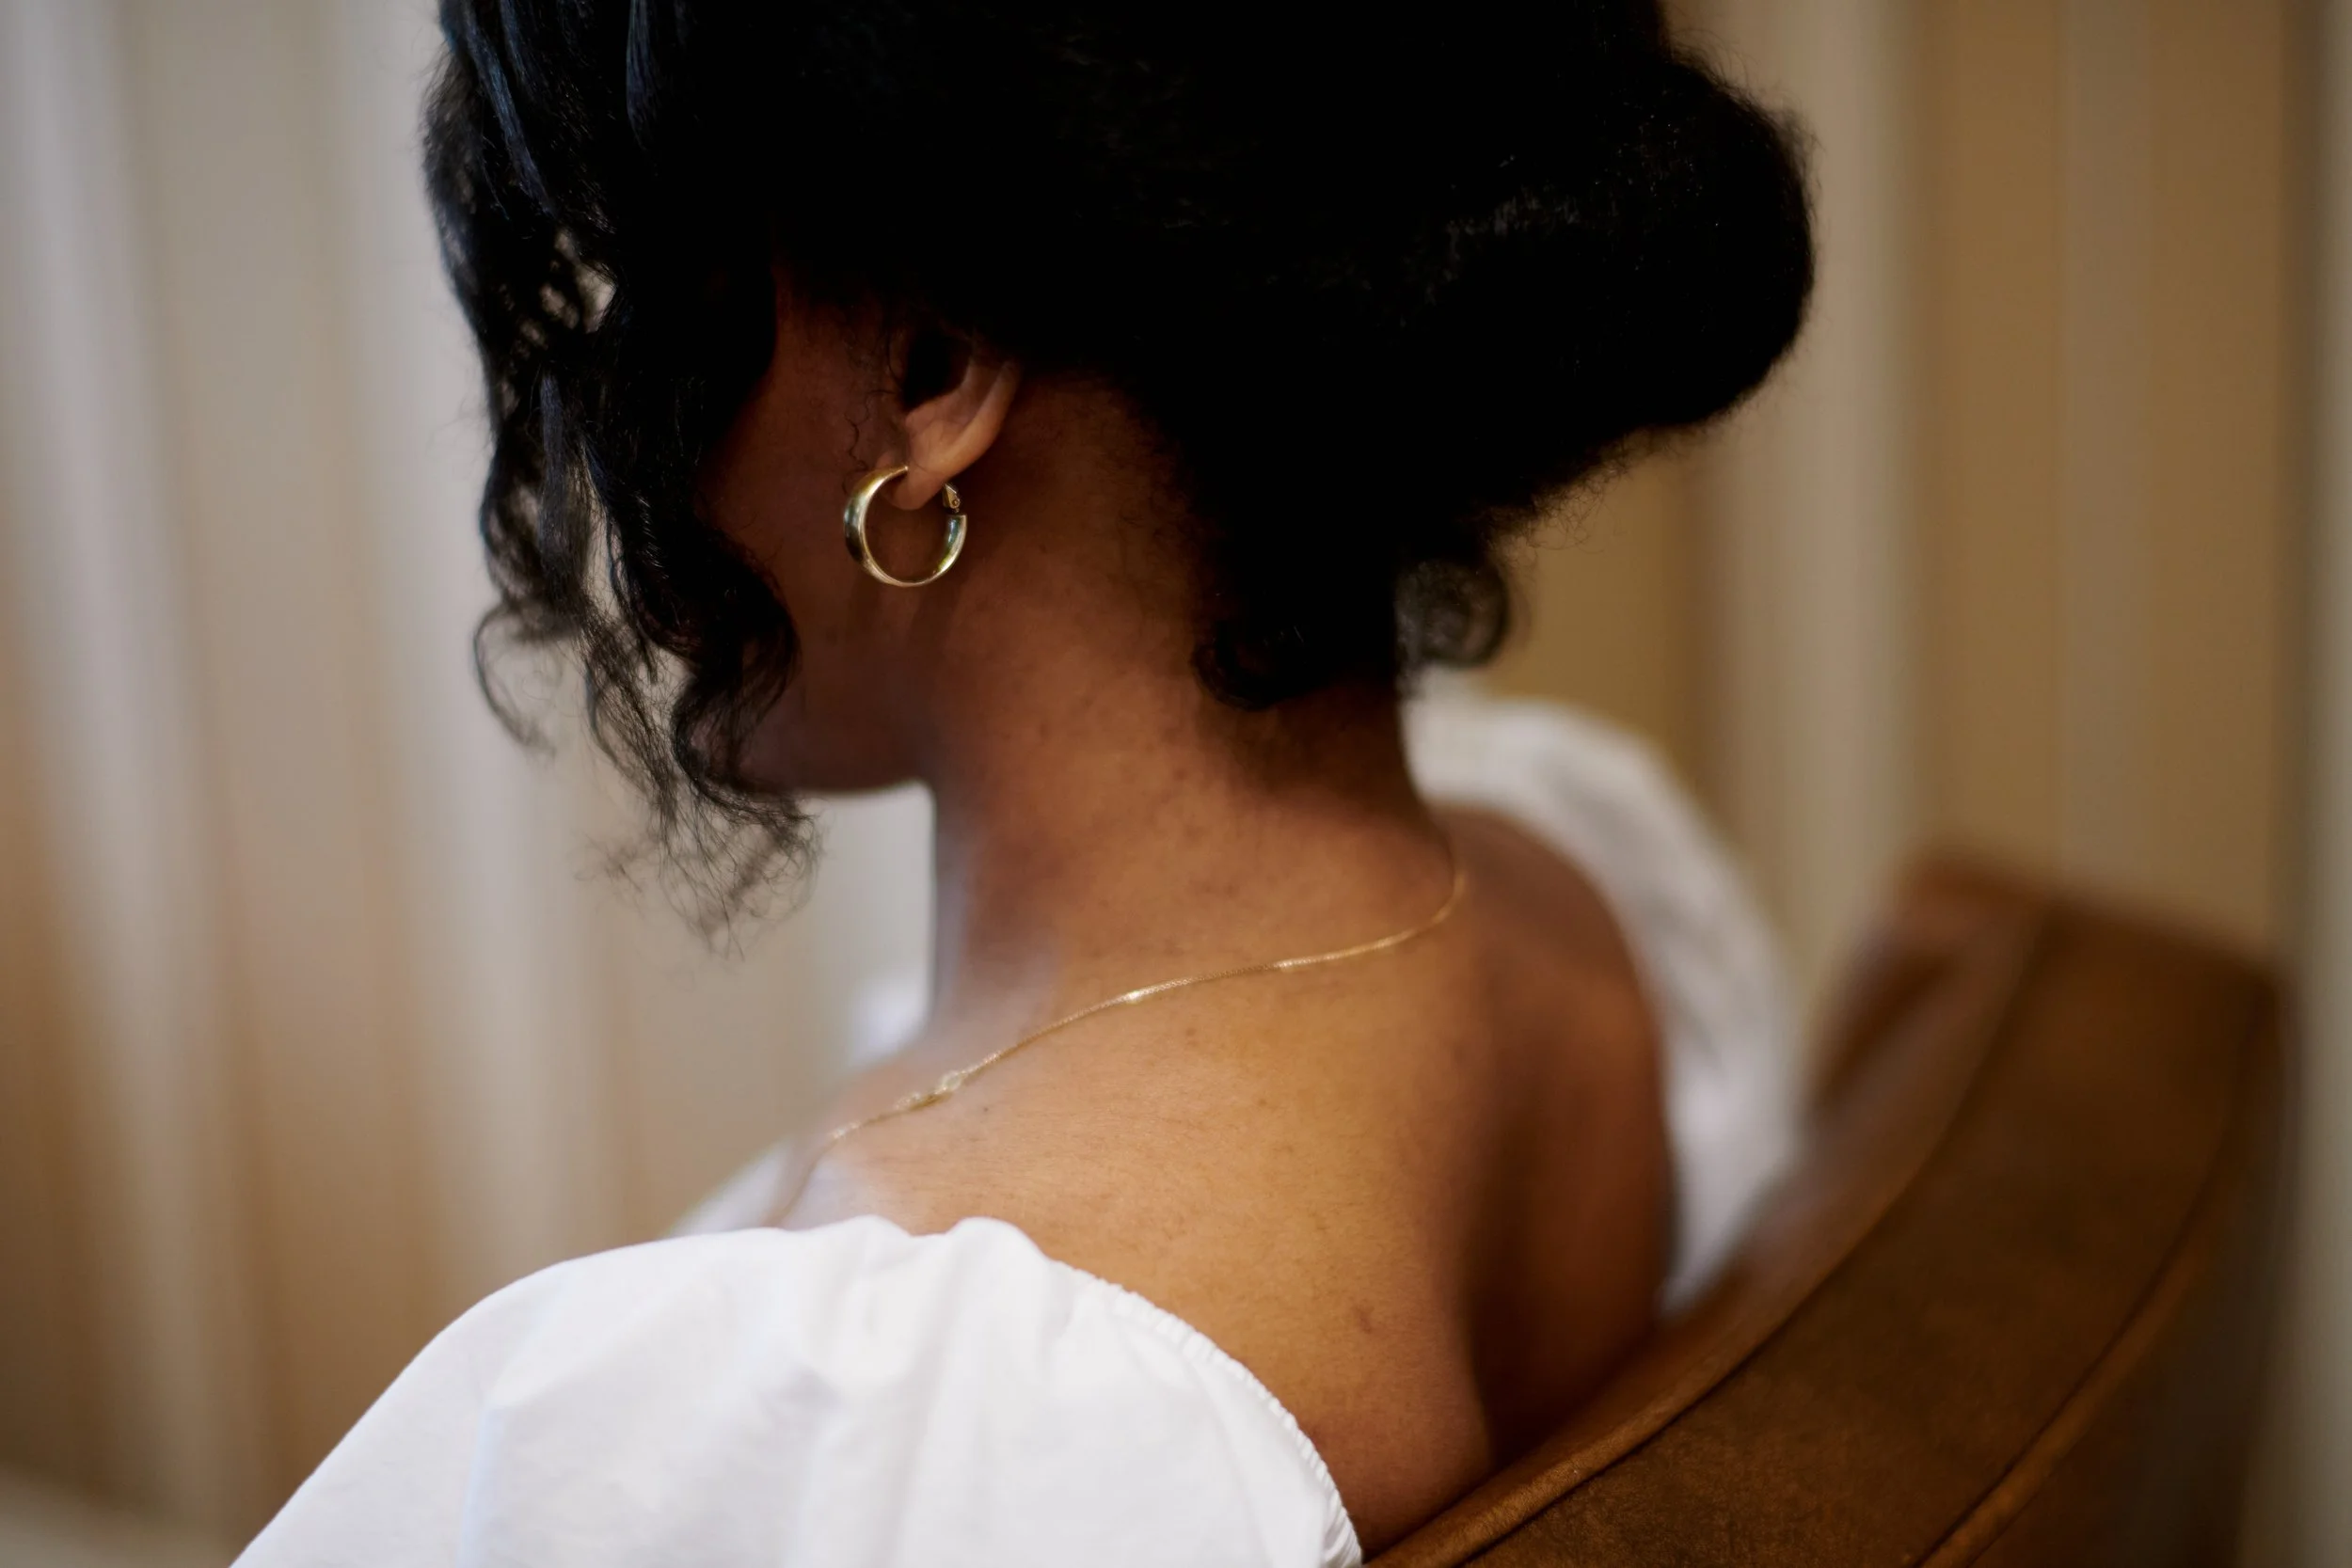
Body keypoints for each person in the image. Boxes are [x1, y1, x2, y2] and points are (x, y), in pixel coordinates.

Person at [238, 3, 1813, 1562]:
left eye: (645, 288)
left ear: (928, 372)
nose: (607, 446)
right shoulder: (1582, 888)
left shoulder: (960, 1427)